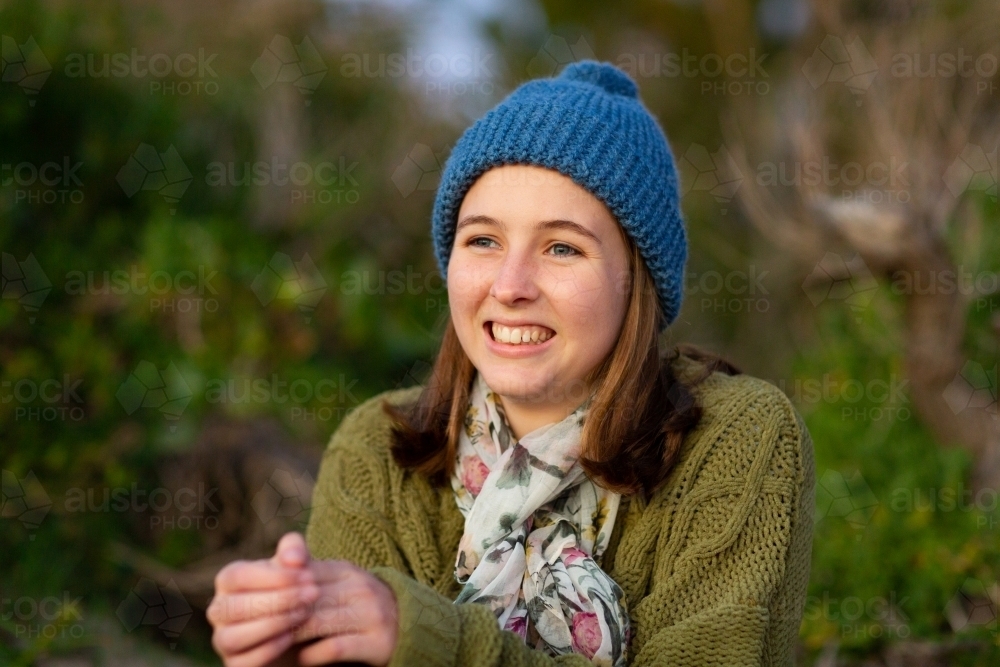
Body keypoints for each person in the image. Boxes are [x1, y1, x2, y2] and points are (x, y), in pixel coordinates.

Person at [207, 60, 815, 667]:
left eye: (561, 247)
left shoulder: (739, 438)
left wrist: (423, 638)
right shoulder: (375, 450)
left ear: (637, 281)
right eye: (483, 240)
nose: (511, 284)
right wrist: (289, 639)